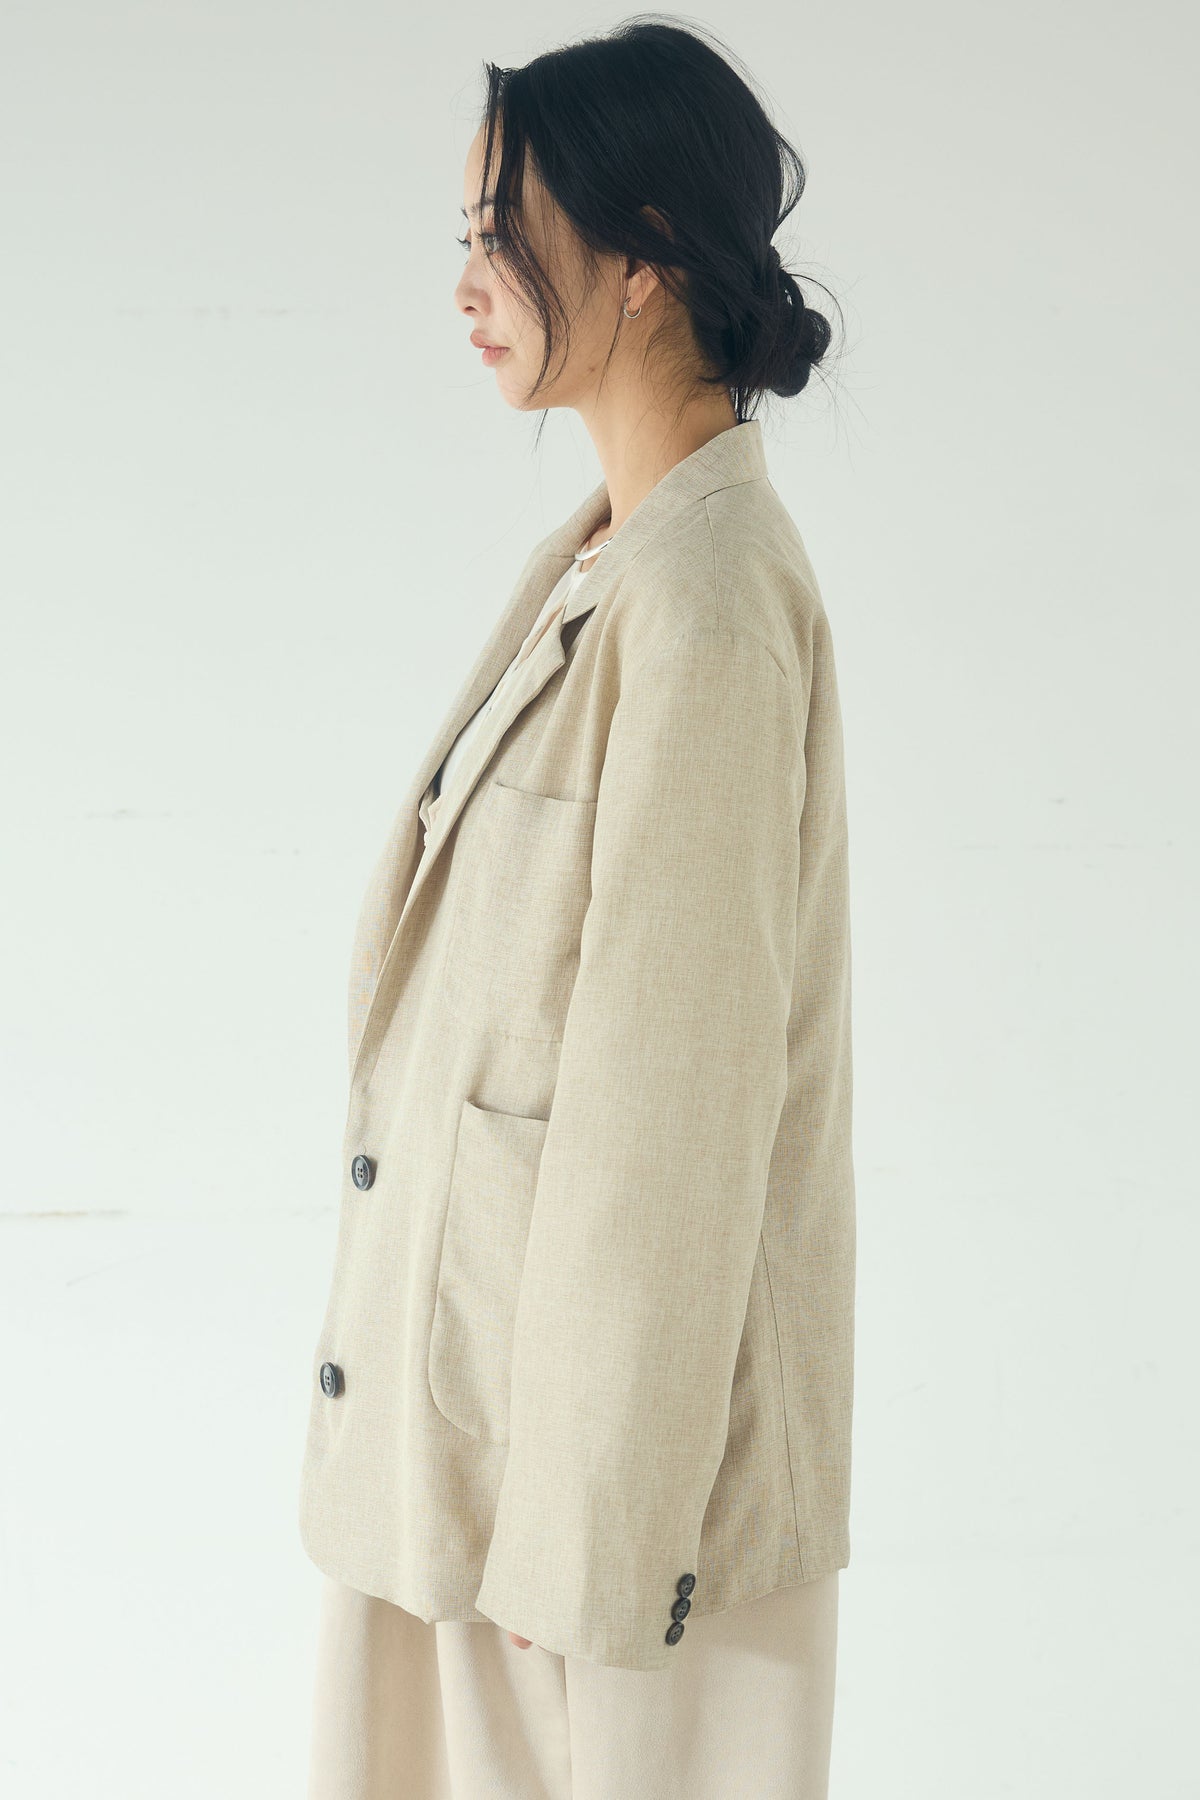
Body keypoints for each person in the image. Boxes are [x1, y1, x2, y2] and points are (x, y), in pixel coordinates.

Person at [302, 19, 854, 1798]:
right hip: (469, 1473)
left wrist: (587, 1539)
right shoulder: (615, 560)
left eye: (500, 235)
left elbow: (677, 1111)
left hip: (598, 1545)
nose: (466, 282)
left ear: (641, 257)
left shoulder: (705, 601)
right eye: (461, 236)